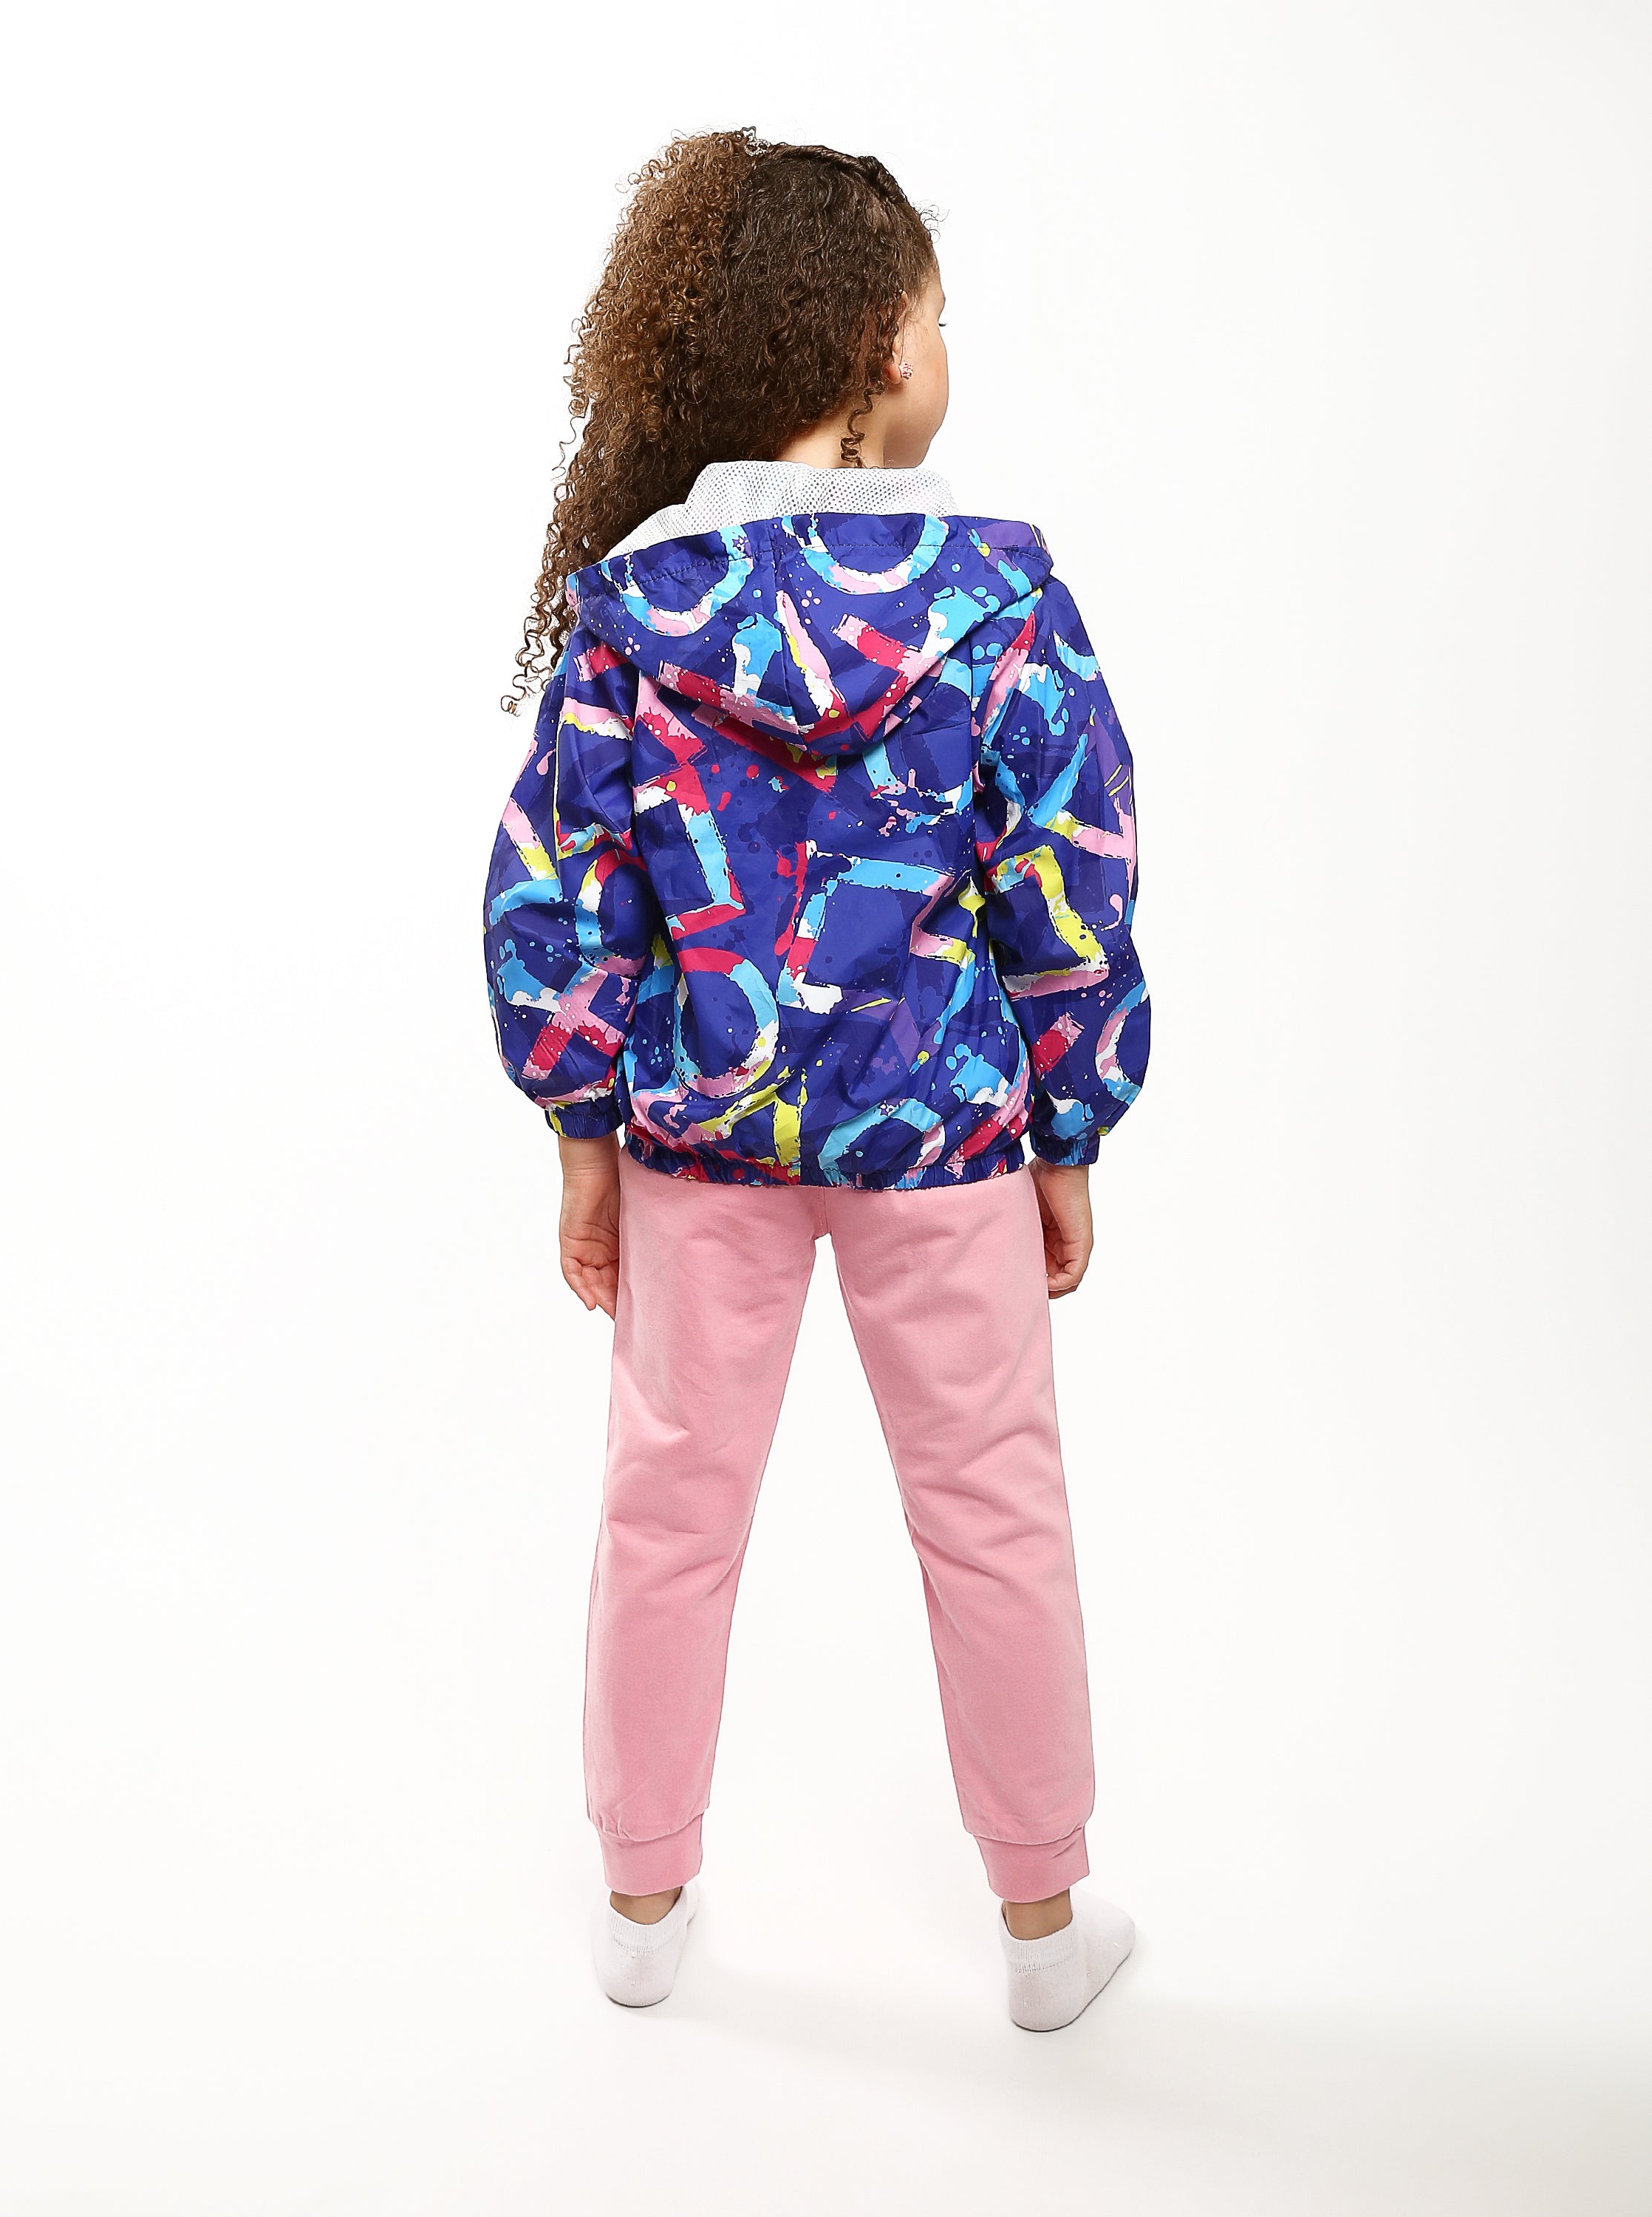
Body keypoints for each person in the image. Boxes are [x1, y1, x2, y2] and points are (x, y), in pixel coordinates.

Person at [482, 129, 1150, 2032]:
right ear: (879, 347)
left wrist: (584, 1135)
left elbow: (560, 893)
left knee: (668, 1506)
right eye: (940, 315)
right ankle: (1044, 1935)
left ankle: (640, 1907)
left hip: (702, 1141)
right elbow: (1071, 880)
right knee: (992, 1504)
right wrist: (1071, 1125)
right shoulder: (997, 597)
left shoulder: (636, 610)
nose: (947, 351)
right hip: (943, 1133)